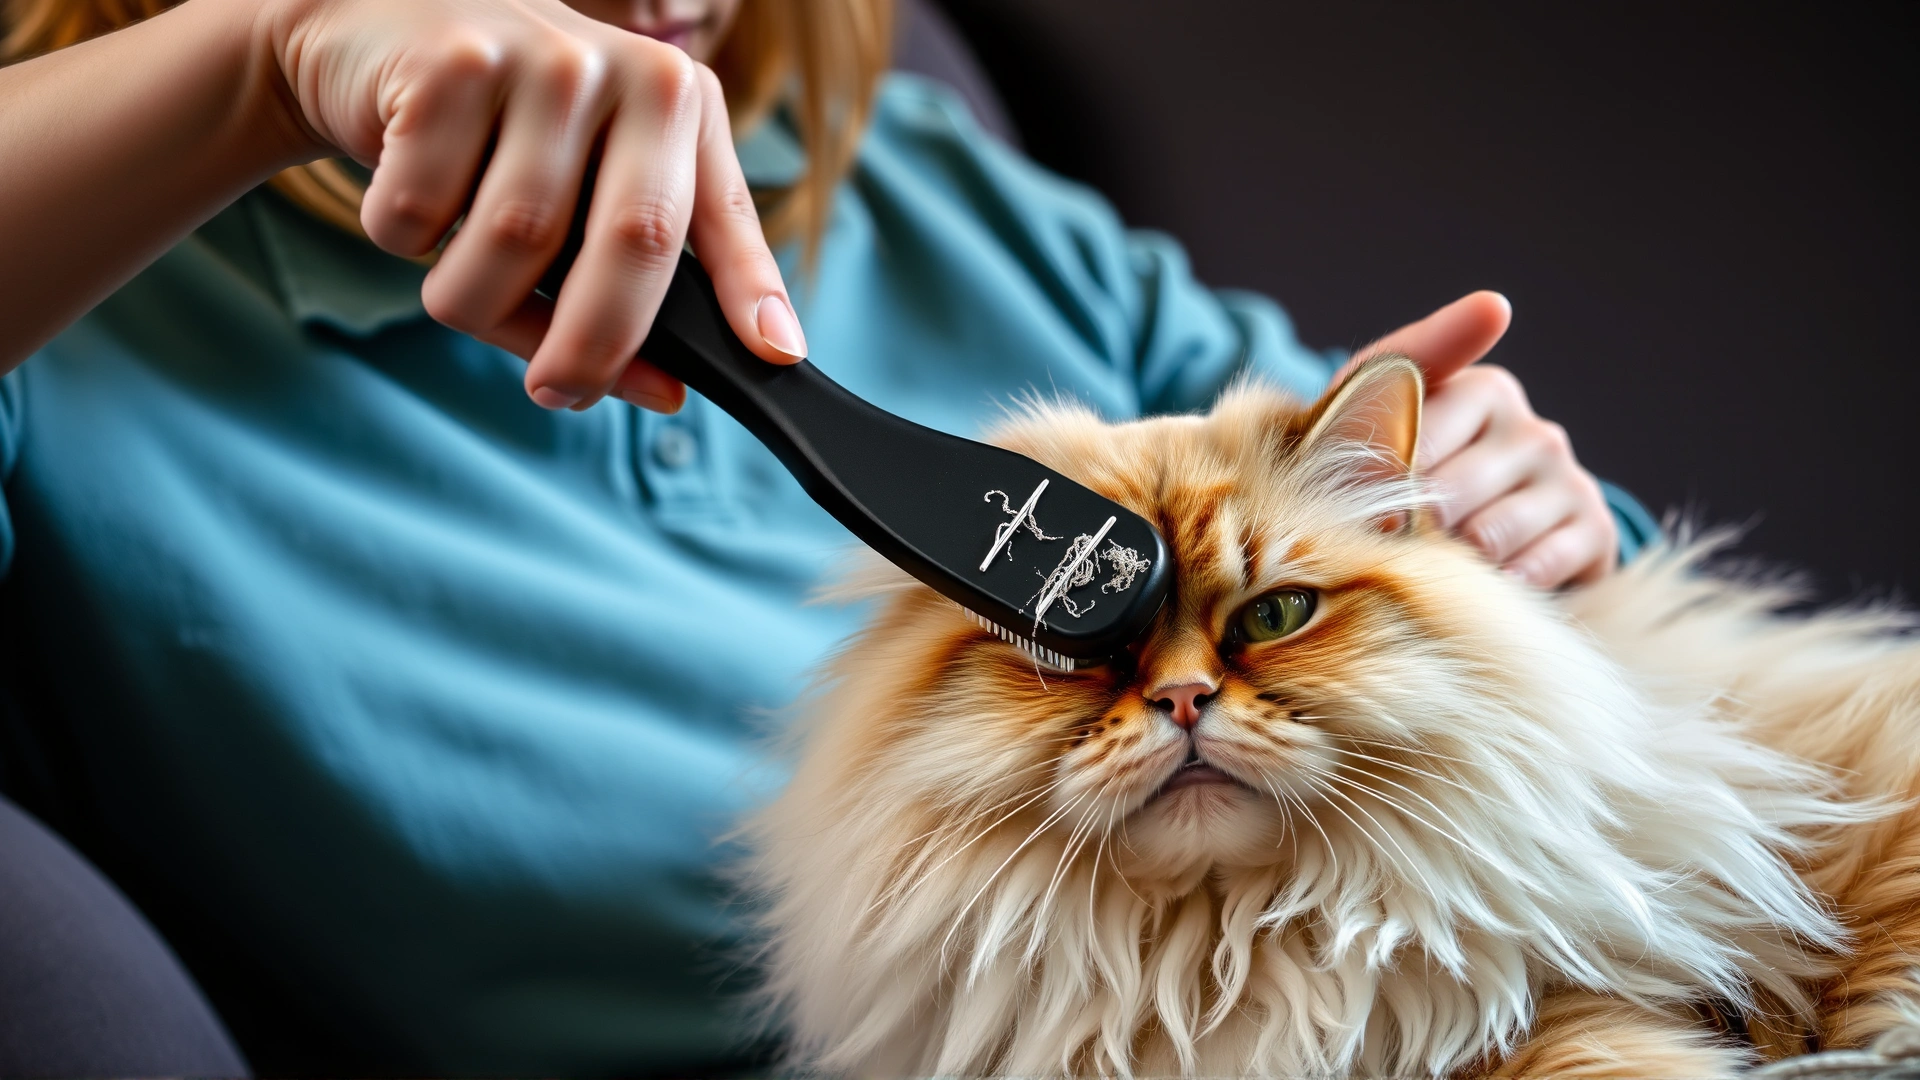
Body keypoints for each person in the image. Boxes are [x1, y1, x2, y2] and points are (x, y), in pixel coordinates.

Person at [0, 0, 1657, 1073]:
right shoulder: (76, 323)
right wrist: (259, 61)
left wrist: (1523, 517)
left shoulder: (919, 183)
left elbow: (1424, 538)